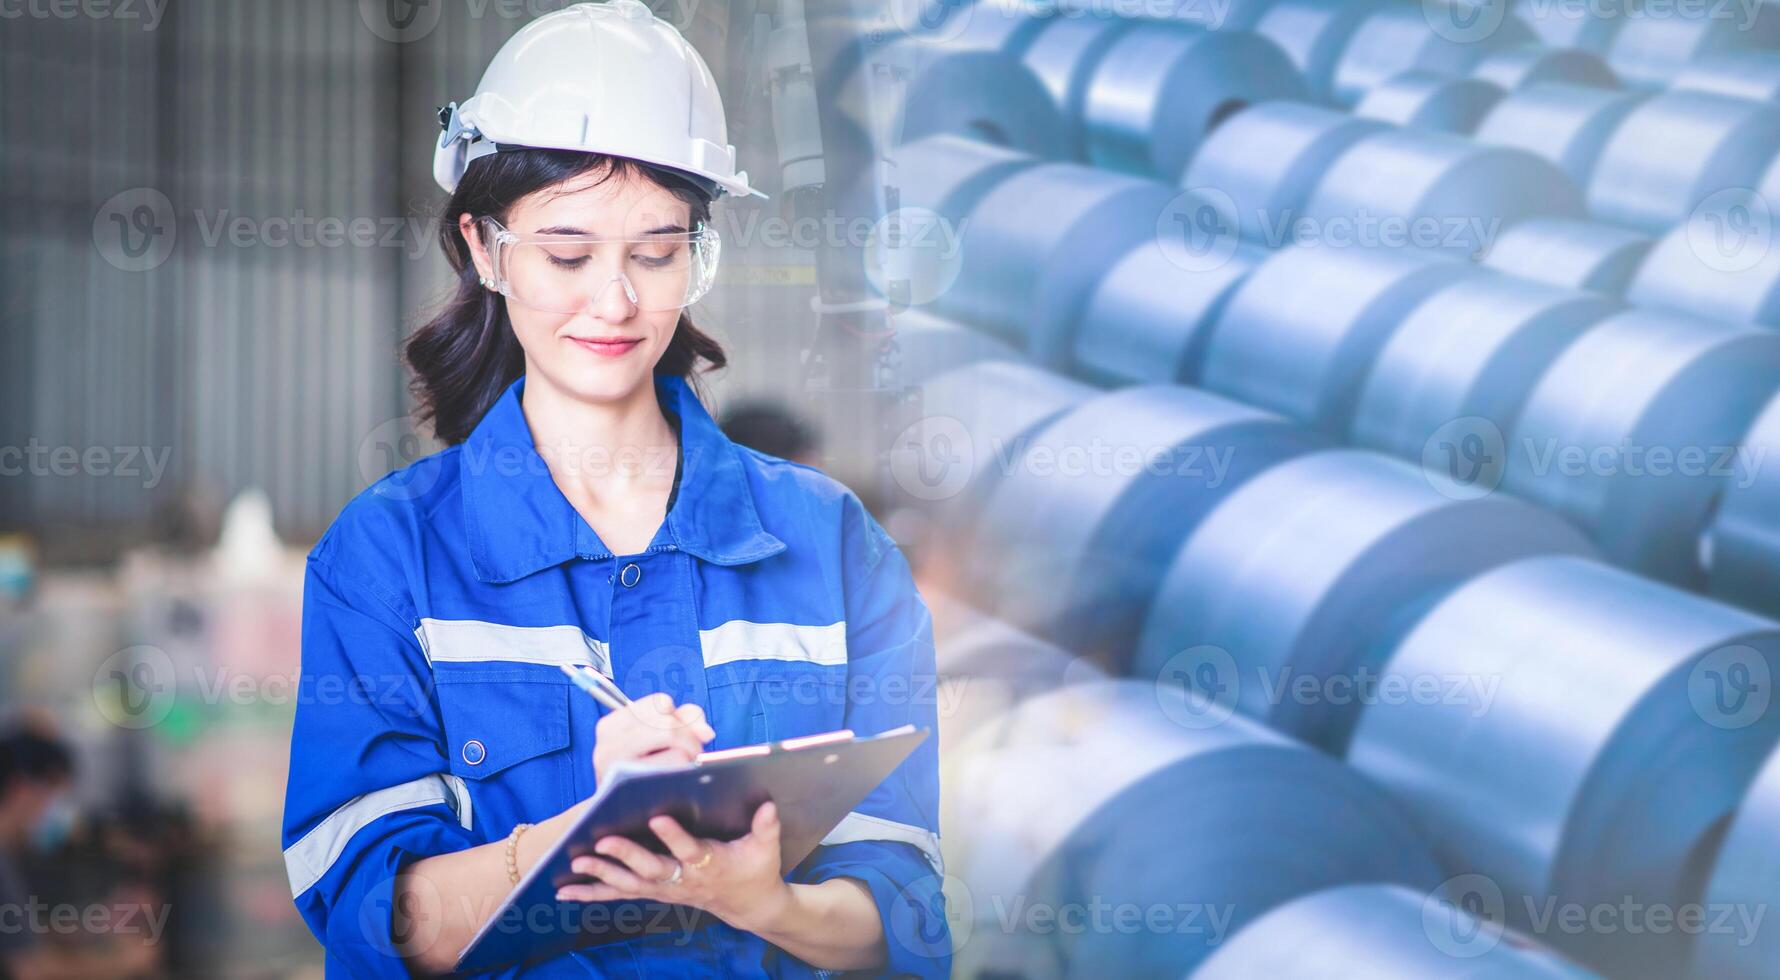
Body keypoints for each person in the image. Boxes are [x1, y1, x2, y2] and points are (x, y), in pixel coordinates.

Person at [279, 3, 949, 977]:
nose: (616, 299)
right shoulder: (391, 555)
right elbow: (372, 912)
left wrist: (761, 899)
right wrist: (589, 835)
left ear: (696, 249)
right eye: (566, 252)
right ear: (482, 245)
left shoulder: (830, 543)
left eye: (654, 250)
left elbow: (905, 904)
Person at [0, 728, 157, 980]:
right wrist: (123, 963)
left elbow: (18, 935)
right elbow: (28, 969)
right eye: (55, 797)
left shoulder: (9, 858)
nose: (59, 814)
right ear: (21, 788)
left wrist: (91, 927)